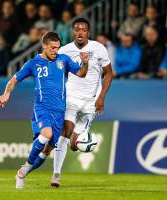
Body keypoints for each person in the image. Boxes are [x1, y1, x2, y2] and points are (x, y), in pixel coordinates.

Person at [0, 31, 89, 189]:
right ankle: (26, 165)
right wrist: (6, 93)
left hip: (59, 112)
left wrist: (85, 63)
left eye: (58, 48)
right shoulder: (33, 64)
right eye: (53, 48)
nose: (56, 51)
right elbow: (14, 79)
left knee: (46, 152)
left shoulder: (64, 60)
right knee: (46, 134)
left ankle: (22, 173)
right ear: (44, 46)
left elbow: (81, 73)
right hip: (42, 108)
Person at [51, 17, 113, 187]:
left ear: (88, 33)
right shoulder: (64, 51)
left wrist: (101, 97)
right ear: (73, 32)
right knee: (66, 131)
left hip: (90, 101)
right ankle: (56, 175)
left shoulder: (98, 49)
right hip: (71, 97)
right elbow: (57, 75)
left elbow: (109, 73)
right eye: (77, 29)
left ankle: (77, 141)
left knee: (74, 145)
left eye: (83, 29)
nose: (80, 32)